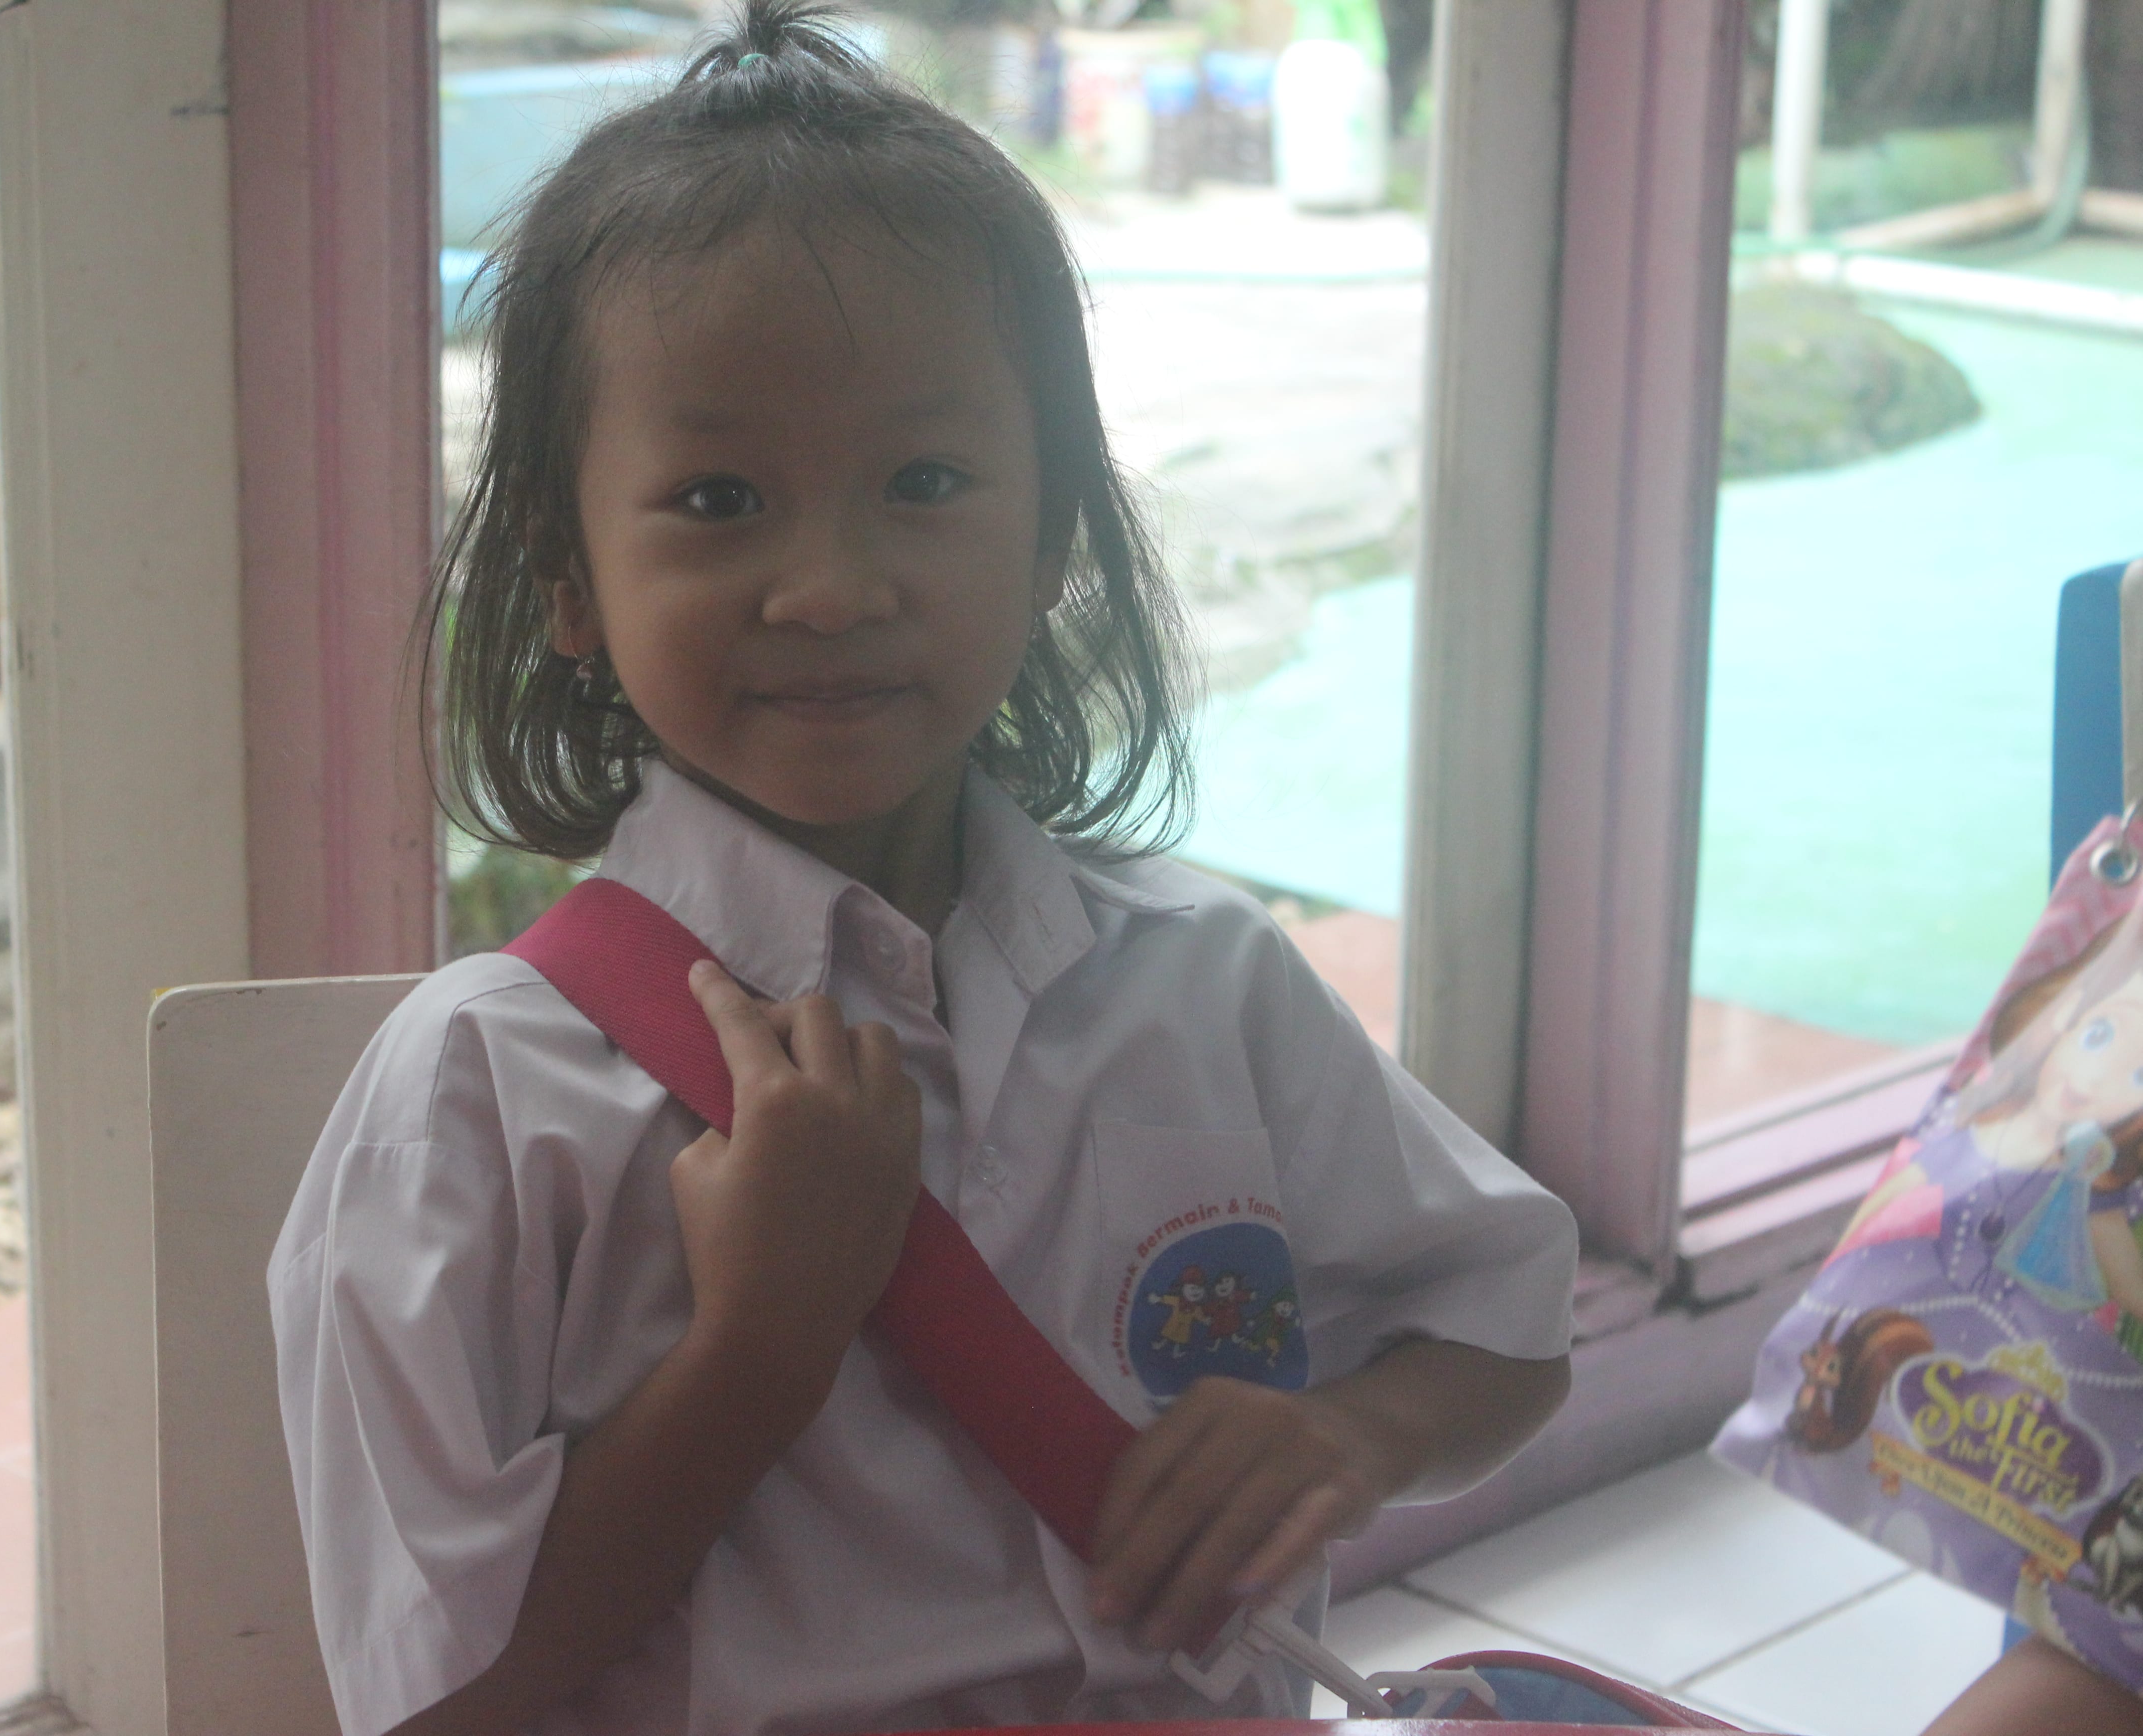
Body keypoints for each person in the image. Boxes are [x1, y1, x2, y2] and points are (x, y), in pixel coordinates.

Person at [269, 7, 1576, 1732]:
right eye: (719, 498)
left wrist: (1357, 1435)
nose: (831, 589)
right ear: (565, 575)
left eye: (928, 480)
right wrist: (759, 1348)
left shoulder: (1205, 980)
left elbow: (1507, 1328)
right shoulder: (479, 1095)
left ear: (1051, 540)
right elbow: (433, 1705)